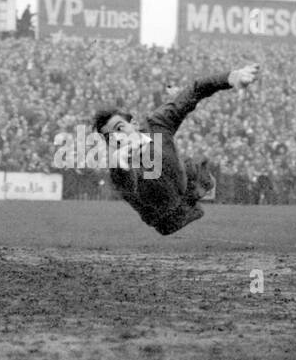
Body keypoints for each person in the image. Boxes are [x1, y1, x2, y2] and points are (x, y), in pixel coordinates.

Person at [93, 64, 261, 235]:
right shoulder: (119, 163)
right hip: (164, 216)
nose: (117, 137)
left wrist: (229, 78)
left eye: (119, 128)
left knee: (193, 164)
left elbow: (193, 91)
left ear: (134, 124)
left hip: (185, 189)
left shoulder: (157, 123)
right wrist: (120, 165)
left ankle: (192, 191)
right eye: (109, 137)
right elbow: (127, 184)